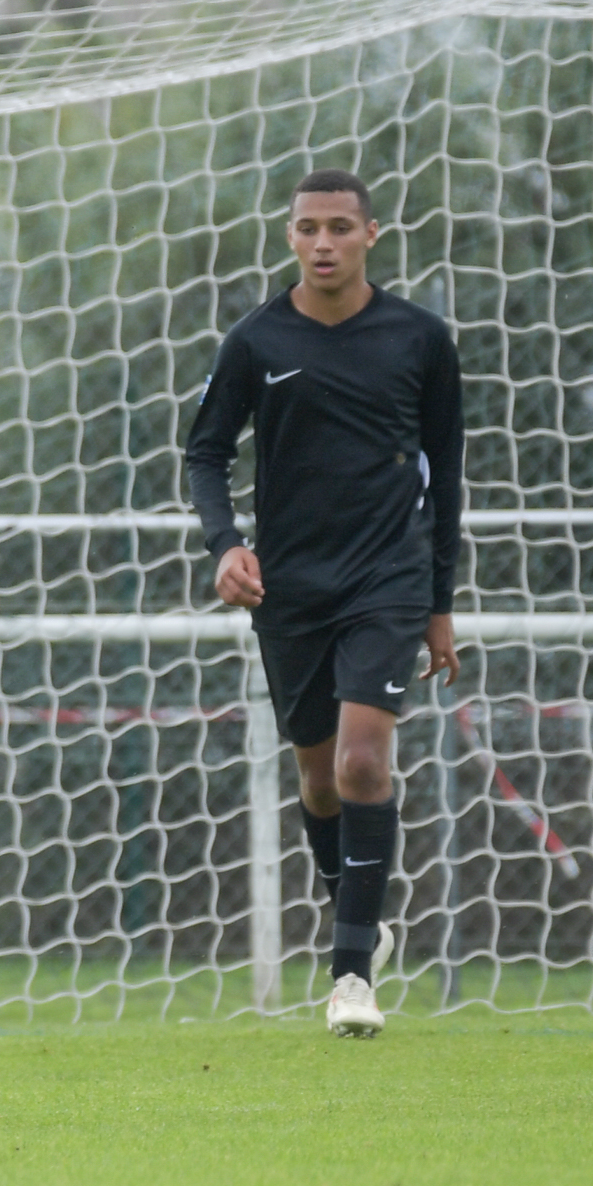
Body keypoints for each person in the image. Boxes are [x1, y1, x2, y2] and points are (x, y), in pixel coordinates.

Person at [184, 168, 462, 1039]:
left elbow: (445, 475)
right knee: (317, 776)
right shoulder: (257, 340)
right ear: (290, 235)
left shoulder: (419, 338)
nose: (324, 242)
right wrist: (225, 543)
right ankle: (360, 916)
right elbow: (203, 455)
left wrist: (438, 601)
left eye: (341, 227)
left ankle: (348, 974)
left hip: (388, 576)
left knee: (360, 766)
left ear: (370, 235)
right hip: (292, 586)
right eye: (308, 227)